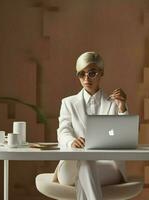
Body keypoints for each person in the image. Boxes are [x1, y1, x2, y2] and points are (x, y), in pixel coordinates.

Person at [53, 52, 129, 200]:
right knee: (85, 160)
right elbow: (63, 131)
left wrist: (122, 108)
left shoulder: (115, 103)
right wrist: (71, 142)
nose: (86, 78)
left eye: (92, 73)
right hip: (70, 167)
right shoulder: (68, 103)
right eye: (82, 74)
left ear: (101, 73)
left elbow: (124, 137)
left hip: (107, 166)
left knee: (86, 165)